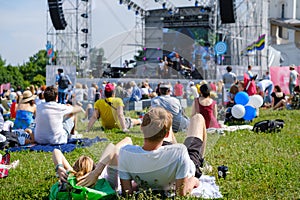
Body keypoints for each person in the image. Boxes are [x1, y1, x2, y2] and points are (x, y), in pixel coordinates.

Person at [118, 107, 207, 196]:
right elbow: (181, 193)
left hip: (163, 154)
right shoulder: (180, 151)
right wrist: (193, 181)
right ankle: (201, 163)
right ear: (166, 134)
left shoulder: (125, 153)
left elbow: (127, 193)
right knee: (198, 118)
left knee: (165, 121)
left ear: (141, 128)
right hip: (186, 164)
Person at [52, 137, 132, 190]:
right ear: (94, 165)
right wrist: (97, 172)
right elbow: (124, 142)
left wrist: (59, 167)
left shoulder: (73, 182)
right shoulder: (108, 181)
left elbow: (56, 151)